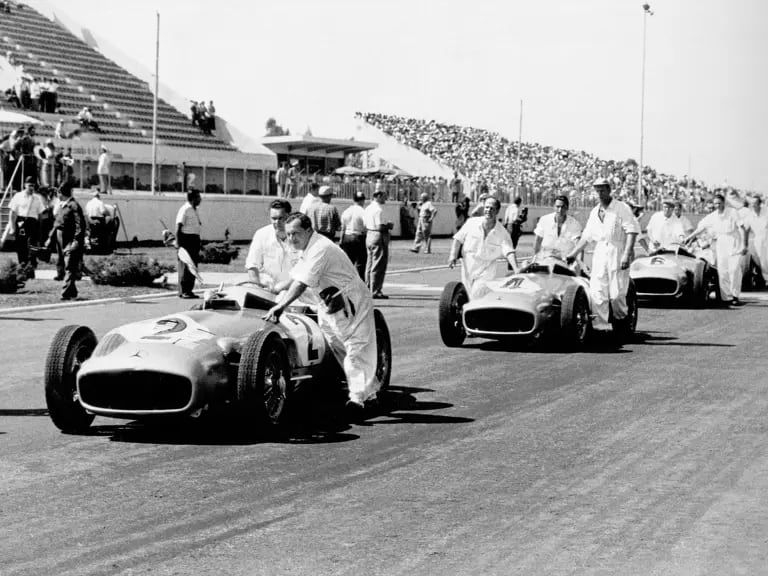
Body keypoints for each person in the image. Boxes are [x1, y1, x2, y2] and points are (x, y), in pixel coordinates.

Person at [264, 213, 381, 415]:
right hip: (329, 303)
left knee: (355, 350)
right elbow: (294, 278)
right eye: (289, 234)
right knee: (340, 348)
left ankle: (357, 400)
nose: (292, 238)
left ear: (309, 230)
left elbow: (300, 285)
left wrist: (280, 306)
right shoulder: (306, 249)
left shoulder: (320, 248)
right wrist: (272, 289)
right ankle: (370, 393)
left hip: (350, 302)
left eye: (296, 233)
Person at [565, 178, 639, 332]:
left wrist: (626, 254)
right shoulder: (594, 211)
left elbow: (631, 231)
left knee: (617, 294)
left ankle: (622, 322)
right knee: (598, 292)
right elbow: (586, 237)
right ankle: (601, 327)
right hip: (600, 252)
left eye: (602, 190)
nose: (599, 193)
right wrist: (573, 254)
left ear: (609, 190)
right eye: (597, 190)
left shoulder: (621, 208)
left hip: (617, 251)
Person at [448, 196, 519, 299]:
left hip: (487, 267)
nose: (488, 210)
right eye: (486, 207)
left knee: (477, 293)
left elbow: (509, 252)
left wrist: (516, 268)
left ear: (497, 211)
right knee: (468, 294)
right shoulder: (471, 223)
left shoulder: (502, 232)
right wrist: (452, 256)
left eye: (492, 208)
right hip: (468, 264)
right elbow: (458, 239)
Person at [683, 193, 748, 306]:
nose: (717, 206)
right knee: (722, 271)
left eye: (719, 203)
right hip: (721, 242)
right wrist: (689, 237)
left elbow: (742, 228)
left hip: (734, 241)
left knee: (734, 270)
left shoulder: (733, 212)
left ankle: (735, 295)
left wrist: (744, 245)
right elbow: (701, 229)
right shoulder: (712, 216)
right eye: (715, 204)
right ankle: (726, 298)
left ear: (724, 203)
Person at [244, 199, 299, 291]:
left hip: (293, 289)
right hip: (267, 288)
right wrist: (257, 287)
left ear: (289, 216)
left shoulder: (299, 236)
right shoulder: (261, 234)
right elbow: (252, 264)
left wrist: (282, 288)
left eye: (281, 218)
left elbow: (303, 270)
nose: (277, 222)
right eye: (274, 218)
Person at [45, 180, 85, 300]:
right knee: (64, 263)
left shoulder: (74, 205)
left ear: (62, 193)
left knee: (70, 264)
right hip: (60, 236)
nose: (57, 195)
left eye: (58, 192)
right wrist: (50, 237)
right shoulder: (63, 205)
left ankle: (66, 293)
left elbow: (80, 225)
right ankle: (72, 291)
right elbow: (57, 223)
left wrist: (77, 240)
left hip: (69, 237)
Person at [8, 176, 46, 277]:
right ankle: (22, 267)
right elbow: (12, 212)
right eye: (29, 185)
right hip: (21, 222)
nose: (31, 188)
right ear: (25, 185)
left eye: (33, 186)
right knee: (21, 246)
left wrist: (40, 228)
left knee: (32, 247)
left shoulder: (37, 198)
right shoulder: (18, 196)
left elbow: (41, 214)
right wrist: (12, 227)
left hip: (32, 223)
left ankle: (31, 270)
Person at [532, 194, 583, 261]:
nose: (560, 210)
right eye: (558, 206)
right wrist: (534, 259)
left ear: (567, 208)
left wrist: (580, 264)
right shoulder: (544, 220)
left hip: (565, 261)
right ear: (554, 207)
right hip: (546, 258)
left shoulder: (574, 224)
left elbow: (579, 245)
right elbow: (537, 241)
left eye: (563, 207)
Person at [364, 188, 393, 299]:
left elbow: (366, 223)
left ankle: (368, 287)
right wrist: (389, 226)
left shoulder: (368, 208)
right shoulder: (378, 210)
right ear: (379, 196)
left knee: (370, 263)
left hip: (370, 234)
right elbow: (380, 226)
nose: (386, 198)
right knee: (378, 264)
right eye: (384, 195)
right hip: (378, 235)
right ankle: (375, 290)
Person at [174, 189, 202, 299]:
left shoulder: (195, 210)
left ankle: (189, 290)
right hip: (186, 239)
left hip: (194, 239)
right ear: (192, 198)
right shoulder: (185, 209)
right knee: (185, 265)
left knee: (193, 265)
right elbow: (178, 227)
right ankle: (183, 291)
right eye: (198, 197)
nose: (200, 199)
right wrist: (178, 242)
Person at [340, 191, 367, 279]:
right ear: (362, 200)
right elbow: (366, 226)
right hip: (358, 236)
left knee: (348, 262)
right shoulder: (363, 211)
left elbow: (343, 227)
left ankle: (346, 282)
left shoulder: (347, 211)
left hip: (347, 236)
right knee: (361, 263)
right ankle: (360, 283)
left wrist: (341, 240)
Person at [742, 195, 768, 283]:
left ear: (760, 204)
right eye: (751, 204)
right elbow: (746, 230)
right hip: (759, 241)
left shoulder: (766, 212)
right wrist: (745, 245)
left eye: (755, 203)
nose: (753, 205)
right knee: (762, 261)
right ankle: (766, 279)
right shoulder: (749, 216)